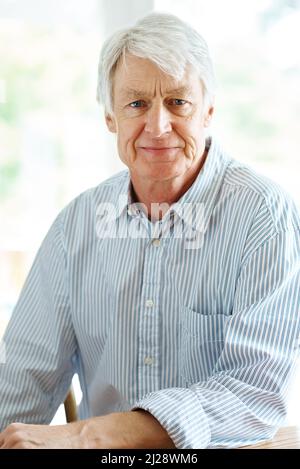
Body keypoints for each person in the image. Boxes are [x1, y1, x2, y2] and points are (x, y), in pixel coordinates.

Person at [0, 12, 299, 450]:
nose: (158, 127)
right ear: (110, 117)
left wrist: (92, 433)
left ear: (209, 111)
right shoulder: (75, 227)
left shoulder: (263, 217)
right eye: (137, 104)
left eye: (178, 102)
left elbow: (254, 396)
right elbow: (19, 386)